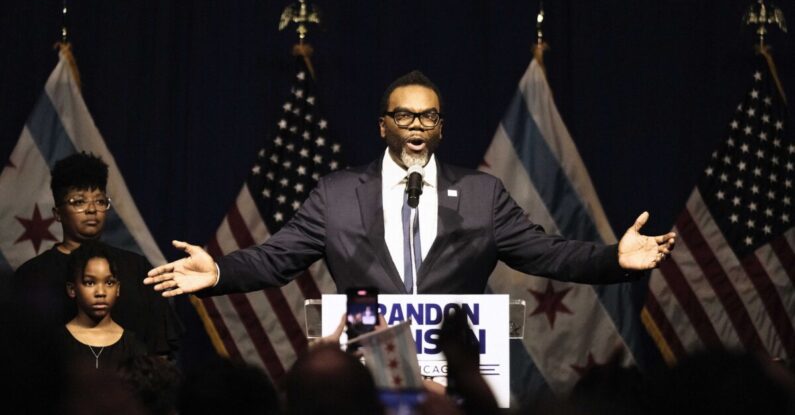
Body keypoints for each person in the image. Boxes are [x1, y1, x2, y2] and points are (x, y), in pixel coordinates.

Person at [145, 70, 676, 298]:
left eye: (428, 117)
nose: (416, 126)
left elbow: (547, 254)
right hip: (368, 367)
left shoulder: (481, 195)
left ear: (441, 126)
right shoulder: (335, 194)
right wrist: (217, 270)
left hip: (456, 372)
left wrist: (613, 259)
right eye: (404, 116)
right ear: (384, 125)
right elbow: (273, 258)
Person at [14, 152, 181, 357]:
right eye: (79, 202)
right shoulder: (32, 276)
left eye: (100, 201)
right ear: (57, 213)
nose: (92, 209)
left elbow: (161, 353)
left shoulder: (138, 270)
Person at [62, 241, 147, 371]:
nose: (101, 292)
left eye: (109, 282)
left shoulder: (133, 347)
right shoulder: (56, 345)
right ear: (72, 289)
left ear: (118, 288)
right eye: (90, 283)